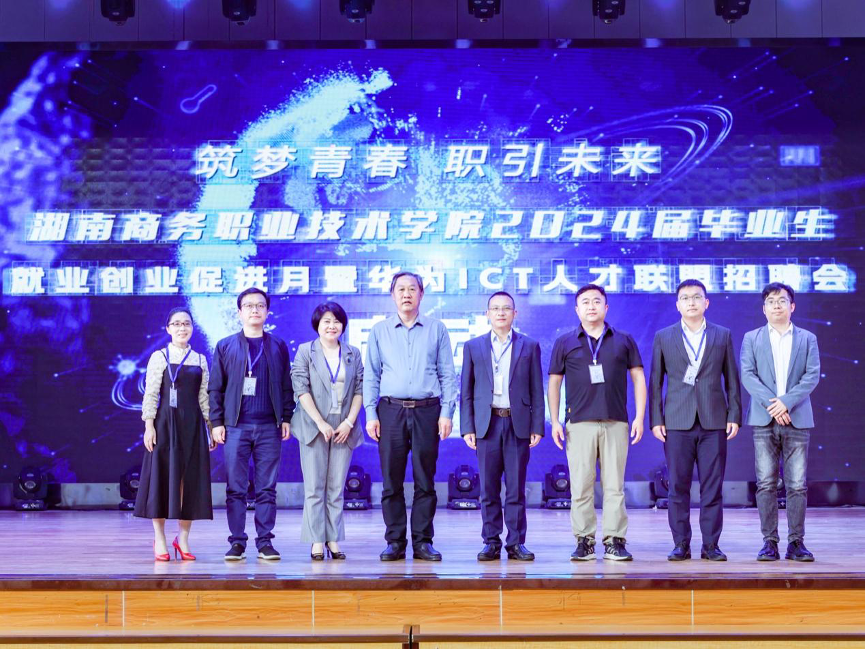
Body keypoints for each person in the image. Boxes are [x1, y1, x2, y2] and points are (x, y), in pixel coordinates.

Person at [364, 272, 458, 562]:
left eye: (412, 289)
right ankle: (394, 542)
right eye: (401, 289)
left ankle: (422, 542)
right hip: (389, 411)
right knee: (391, 480)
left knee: (425, 479)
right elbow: (372, 375)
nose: (406, 294)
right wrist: (371, 413)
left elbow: (447, 374)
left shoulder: (436, 329)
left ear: (421, 294)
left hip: (427, 411)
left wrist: (446, 413)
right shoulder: (379, 331)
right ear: (392, 294)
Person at [548, 284, 646, 562]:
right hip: (579, 424)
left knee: (614, 486)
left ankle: (615, 540)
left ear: (606, 307)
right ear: (576, 309)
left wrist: (639, 417)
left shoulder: (624, 340)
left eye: (596, 301)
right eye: (585, 302)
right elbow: (554, 383)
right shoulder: (565, 342)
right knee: (581, 486)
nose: (591, 306)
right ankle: (584, 541)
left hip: (616, 422)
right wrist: (555, 421)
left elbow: (638, 378)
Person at [649, 279, 741, 562]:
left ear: (706, 303)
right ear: (678, 305)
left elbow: (732, 379)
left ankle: (711, 545)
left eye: (697, 297)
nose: (691, 302)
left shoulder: (721, 335)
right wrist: (656, 419)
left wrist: (734, 415)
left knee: (712, 487)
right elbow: (655, 382)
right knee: (677, 486)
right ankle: (681, 544)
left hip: (714, 421)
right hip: (677, 422)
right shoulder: (664, 336)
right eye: (685, 298)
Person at [209, 288, 294, 561]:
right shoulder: (225, 346)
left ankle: (265, 542)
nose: (254, 310)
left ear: (267, 311)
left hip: (270, 426)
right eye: (248, 306)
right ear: (239, 312)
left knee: (267, 488)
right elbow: (215, 388)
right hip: (235, 427)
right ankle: (237, 542)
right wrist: (217, 422)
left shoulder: (278, 345)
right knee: (236, 488)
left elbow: (286, 385)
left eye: (260, 305)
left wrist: (286, 417)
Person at [461, 292, 544, 562]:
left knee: (516, 488)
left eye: (506, 308)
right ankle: (491, 541)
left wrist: (537, 425)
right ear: (487, 314)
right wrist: (468, 427)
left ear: (514, 314)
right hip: (487, 424)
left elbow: (537, 389)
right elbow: (466, 391)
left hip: (517, 423)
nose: (500, 313)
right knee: (488, 488)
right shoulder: (473, 346)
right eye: (495, 308)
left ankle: (516, 542)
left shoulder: (529, 346)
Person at [740, 282, 820, 562]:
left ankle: (796, 543)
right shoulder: (752, 338)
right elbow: (748, 375)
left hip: (797, 418)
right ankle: (769, 542)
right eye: (771, 301)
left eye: (782, 300)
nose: (777, 305)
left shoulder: (807, 338)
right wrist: (774, 406)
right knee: (766, 483)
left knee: (797, 485)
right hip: (764, 419)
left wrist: (787, 402)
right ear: (764, 309)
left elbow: (812, 375)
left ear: (792, 306)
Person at [135, 307, 214, 561]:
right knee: (161, 478)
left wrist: (210, 426)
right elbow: (150, 393)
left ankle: (183, 539)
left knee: (189, 482)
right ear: (168, 328)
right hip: (165, 425)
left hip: (192, 427)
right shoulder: (159, 356)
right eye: (177, 324)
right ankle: (159, 538)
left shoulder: (200, 359)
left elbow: (204, 397)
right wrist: (149, 426)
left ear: (192, 328)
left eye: (186, 323)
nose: (182, 328)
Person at [291, 302, 364, 561]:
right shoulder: (305, 351)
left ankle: (333, 538)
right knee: (314, 487)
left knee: (336, 487)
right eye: (326, 321)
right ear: (317, 325)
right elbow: (300, 388)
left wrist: (349, 422)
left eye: (336, 321)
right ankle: (316, 540)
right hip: (313, 426)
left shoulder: (353, 353)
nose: (332, 326)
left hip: (344, 427)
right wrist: (320, 422)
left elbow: (359, 390)